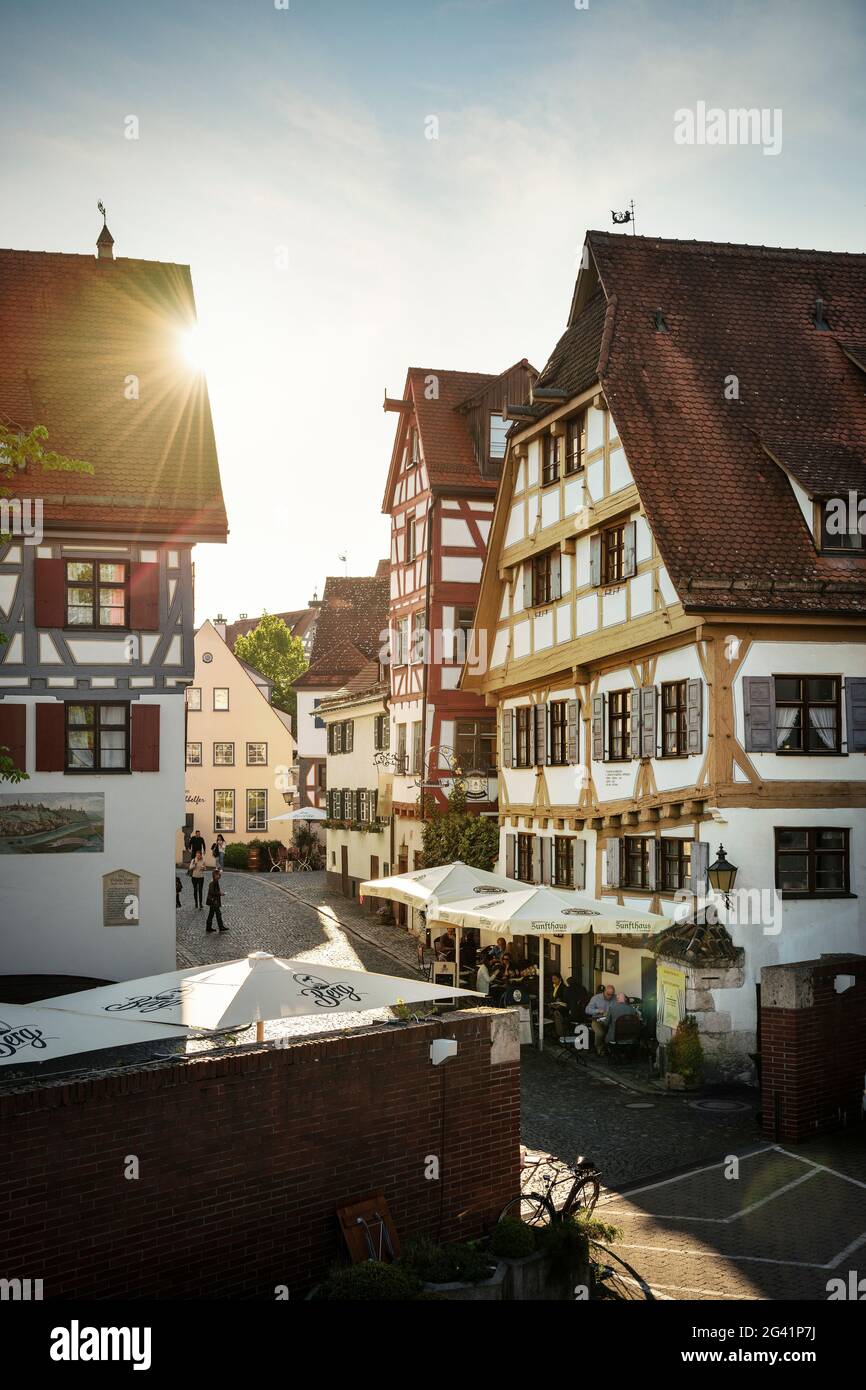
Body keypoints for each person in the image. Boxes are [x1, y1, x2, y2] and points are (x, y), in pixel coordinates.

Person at [586, 984, 616, 1056]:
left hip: (610, 1020)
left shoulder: (615, 998)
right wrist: (597, 1011)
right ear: (604, 991)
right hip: (597, 1020)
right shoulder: (596, 998)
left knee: (617, 1030)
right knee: (600, 1033)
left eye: (611, 995)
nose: (610, 996)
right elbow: (587, 1010)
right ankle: (600, 1048)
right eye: (608, 994)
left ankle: (613, 1049)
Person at [547, 971, 570, 1038]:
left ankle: (559, 1034)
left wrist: (557, 1002)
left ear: (560, 979)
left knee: (556, 1013)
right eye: (552, 979)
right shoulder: (553, 987)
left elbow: (564, 999)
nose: (553, 981)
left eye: (555, 979)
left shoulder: (563, 987)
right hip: (554, 1006)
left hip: (562, 1007)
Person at [205, 869, 228, 933]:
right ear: (215, 875)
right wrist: (220, 893)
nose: (219, 876)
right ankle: (221, 927)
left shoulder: (215, 881)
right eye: (218, 875)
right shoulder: (213, 882)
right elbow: (212, 892)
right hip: (213, 901)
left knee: (211, 914)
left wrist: (219, 892)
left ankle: (208, 927)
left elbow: (214, 891)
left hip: (213, 901)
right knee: (218, 914)